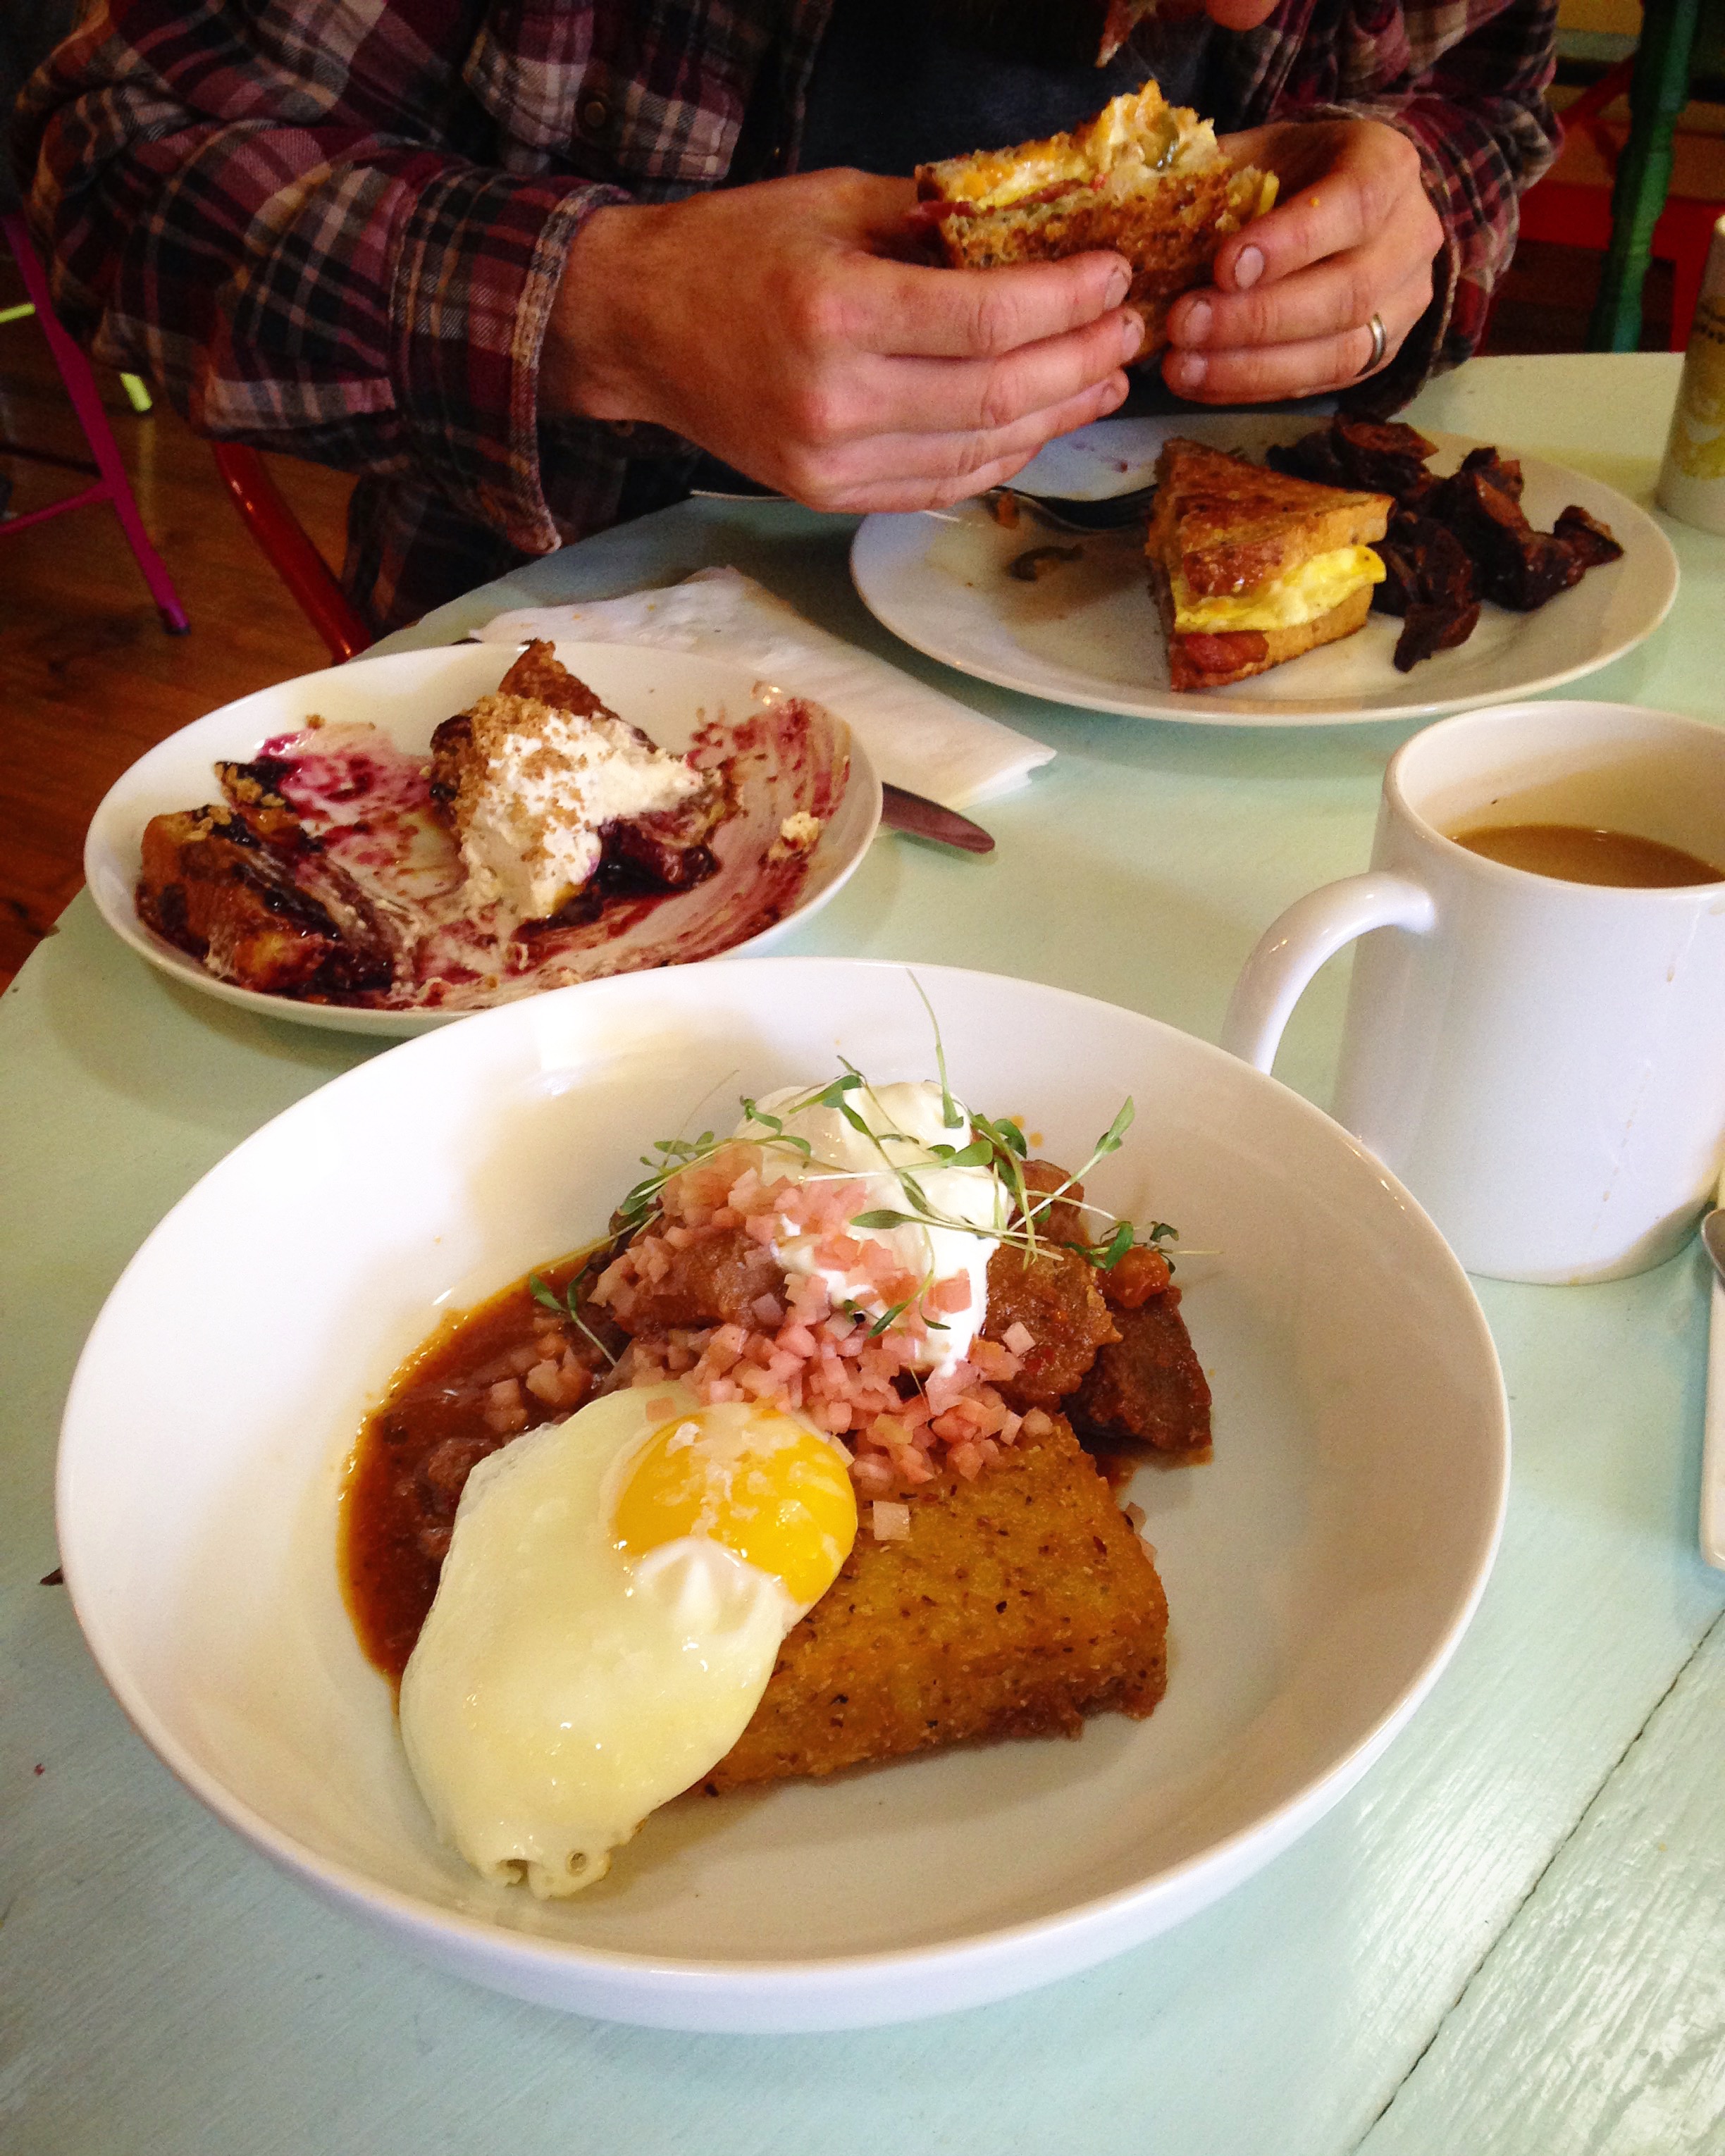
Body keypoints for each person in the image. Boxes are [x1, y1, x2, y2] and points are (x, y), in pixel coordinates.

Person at [15, 0, 1557, 633]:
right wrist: (605, 308)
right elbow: (113, 160)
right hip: (601, 711)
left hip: (1250, 719)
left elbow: (1483, 85)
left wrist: (1407, 208)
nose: (1246, 17)